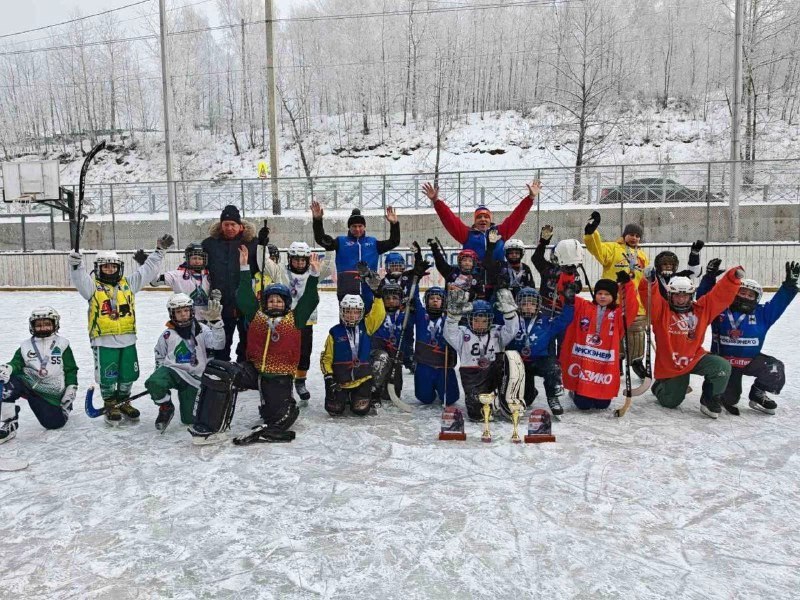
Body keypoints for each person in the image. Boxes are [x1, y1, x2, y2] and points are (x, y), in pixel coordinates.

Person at [191, 246, 321, 440]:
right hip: (254, 371)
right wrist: (244, 268)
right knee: (217, 370)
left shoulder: (295, 318)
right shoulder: (257, 315)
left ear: (286, 303)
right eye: (271, 300)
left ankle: (272, 420)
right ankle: (209, 425)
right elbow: (243, 296)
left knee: (278, 418)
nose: (275, 303)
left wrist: (314, 275)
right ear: (265, 303)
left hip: (279, 377)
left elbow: (311, 298)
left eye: (279, 301)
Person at [68, 237, 172, 426]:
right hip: (103, 340)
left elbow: (147, 271)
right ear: (99, 268)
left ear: (119, 267)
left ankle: (124, 401)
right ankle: (110, 403)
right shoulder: (92, 287)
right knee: (108, 376)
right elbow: (79, 278)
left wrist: (159, 251)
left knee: (127, 374)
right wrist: (76, 265)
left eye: (113, 267)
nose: (110, 270)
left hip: (128, 338)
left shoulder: (128, 284)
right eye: (106, 266)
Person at [696, 260, 799, 415]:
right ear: (734, 293)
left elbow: (779, 303)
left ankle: (758, 392)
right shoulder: (721, 310)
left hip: (749, 361)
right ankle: (713, 395)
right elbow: (704, 299)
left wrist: (789, 285)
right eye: (742, 292)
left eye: (750, 295)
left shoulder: (763, 314)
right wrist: (709, 278)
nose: (746, 296)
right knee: (730, 399)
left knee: (775, 368)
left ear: (756, 299)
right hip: (723, 364)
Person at [647, 267, 745, 418]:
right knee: (671, 402)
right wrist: (650, 282)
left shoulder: (701, 309)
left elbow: (719, 295)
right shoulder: (661, 311)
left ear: (691, 295)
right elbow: (650, 297)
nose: (681, 299)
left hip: (694, 357)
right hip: (672, 364)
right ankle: (660, 386)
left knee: (721, 366)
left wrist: (733, 278)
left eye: (685, 296)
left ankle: (709, 399)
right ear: (669, 295)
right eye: (677, 295)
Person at [257, 240, 331, 404]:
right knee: (285, 352)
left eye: (302, 260)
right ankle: (285, 381)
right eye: (296, 259)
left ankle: (300, 380)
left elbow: (329, 267)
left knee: (304, 352)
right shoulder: (281, 272)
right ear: (289, 259)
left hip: (306, 321)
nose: (299, 263)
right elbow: (263, 262)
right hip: (285, 320)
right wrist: (261, 244)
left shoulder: (313, 272)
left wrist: (330, 246)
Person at [583, 211, 650, 379]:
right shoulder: (613, 248)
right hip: (614, 302)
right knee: (613, 333)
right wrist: (592, 232)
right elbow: (596, 248)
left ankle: (636, 360)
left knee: (636, 332)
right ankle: (617, 360)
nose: (634, 238)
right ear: (624, 235)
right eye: (631, 234)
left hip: (636, 303)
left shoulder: (642, 255)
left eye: (637, 235)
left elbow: (644, 280)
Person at [144, 293, 225, 431]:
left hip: (194, 378)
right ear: (171, 314)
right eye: (179, 311)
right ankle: (166, 407)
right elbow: (159, 355)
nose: (183, 314)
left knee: (189, 420)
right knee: (154, 382)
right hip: (173, 371)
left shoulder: (202, 329)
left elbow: (218, 345)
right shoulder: (167, 334)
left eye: (186, 310)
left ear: (192, 311)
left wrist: (216, 323)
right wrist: (159, 375)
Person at [560, 273, 638, 410]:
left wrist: (627, 285)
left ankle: (596, 393)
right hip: (584, 362)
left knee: (602, 405)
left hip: (604, 366)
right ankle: (575, 391)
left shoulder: (618, 314)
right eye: (600, 293)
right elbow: (564, 295)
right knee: (583, 405)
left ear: (614, 297)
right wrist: (567, 276)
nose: (602, 296)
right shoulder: (583, 306)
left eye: (607, 294)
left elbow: (631, 306)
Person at [0, 308, 78, 443]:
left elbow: (71, 369)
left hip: (50, 393)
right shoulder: (26, 346)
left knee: (53, 424)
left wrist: (71, 387)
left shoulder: (62, 344)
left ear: (55, 324)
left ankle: (64, 409)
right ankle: (10, 424)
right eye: (38, 325)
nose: (43, 328)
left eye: (47, 323)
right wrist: (8, 368)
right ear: (32, 326)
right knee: (7, 383)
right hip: (29, 383)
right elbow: (16, 363)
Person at [443, 289, 520, 421]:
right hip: (472, 376)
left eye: (484, 321)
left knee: (513, 360)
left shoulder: (497, 332)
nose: (480, 324)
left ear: (490, 320)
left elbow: (511, 330)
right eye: (476, 320)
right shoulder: (463, 333)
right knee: (477, 415)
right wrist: (452, 317)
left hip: (494, 373)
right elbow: (449, 333)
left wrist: (510, 314)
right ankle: (488, 402)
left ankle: (503, 399)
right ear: (469, 319)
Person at [311, 201, 400, 311]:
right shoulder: (340, 242)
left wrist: (394, 224)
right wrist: (317, 221)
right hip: (346, 289)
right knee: (347, 321)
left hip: (369, 289)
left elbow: (394, 242)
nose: (357, 229)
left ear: (364, 227)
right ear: (349, 227)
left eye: (360, 226)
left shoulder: (373, 242)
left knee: (368, 324)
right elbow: (321, 239)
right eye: (354, 226)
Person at [422, 180, 541, 262]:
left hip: (496, 278)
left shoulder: (500, 232)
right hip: (473, 279)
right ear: (475, 220)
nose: (483, 219)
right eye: (479, 217)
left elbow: (517, 217)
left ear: (490, 220)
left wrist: (530, 198)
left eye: (486, 217)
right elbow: (449, 219)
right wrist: (437, 201)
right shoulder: (466, 234)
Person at [321, 278, 387, 417]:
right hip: (341, 382)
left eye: (356, 312)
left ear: (361, 312)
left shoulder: (367, 327)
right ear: (342, 312)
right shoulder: (335, 332)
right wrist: (329, 376)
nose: (351, 315)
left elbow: (379, 315)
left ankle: (370, 393)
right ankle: (344, 397)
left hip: (362, 379)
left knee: (361, 410)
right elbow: (326, 358)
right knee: (334, 410)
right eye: (348, 311)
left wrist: (379, 297)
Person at [202, 204, 259, 362]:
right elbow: (195, 265)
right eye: (226, 224)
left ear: (240, 226)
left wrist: (264, 245)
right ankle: (221, 371)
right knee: (221, 342)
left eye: (233, 224)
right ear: (221, 226)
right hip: (220, 303)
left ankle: (244, 372)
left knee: (247, 341)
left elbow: (264, 267)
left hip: (245, 304)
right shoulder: (209, 244)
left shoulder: (253, 243)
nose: (229, 228)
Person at [505, 287, 574, 415]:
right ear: (517, 304)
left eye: (532, 303)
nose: (528, 307)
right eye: (524, 303)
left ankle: (553, 397)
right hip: (518, 363)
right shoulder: (511, 320)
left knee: (552, 369)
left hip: (539, 361)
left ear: (538, 304)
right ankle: (528, 392)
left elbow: (564, 320)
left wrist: (569, 303)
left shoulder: (546, 321)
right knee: (527, 399)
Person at [137, 242, 218, 323]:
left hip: (208, 321)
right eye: (194, 258)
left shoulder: (211, 276)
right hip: (185, 321)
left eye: (200, 259)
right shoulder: (177, 275)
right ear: (187, 258)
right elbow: (155, 281)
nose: (197, 261)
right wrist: (147, 265)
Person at [411, 286, 458, 406]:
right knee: (424, 399)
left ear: (444, 301)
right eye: (432, 298)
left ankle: (441, 386)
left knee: (451, 399)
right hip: (424, 365)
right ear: (426, 301)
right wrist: (417, 277)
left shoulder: (450, 318)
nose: (435, 300)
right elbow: (415, 297)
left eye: (438, 298)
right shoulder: (421, 315)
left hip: (444, 366)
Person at [483, 234, 535, 299]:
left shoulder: (525, 268)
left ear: (522, 253)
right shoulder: (500, 265)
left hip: (521, 300)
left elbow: (531, 286)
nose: (514, 255)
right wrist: (490, 248)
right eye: (511, 253)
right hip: (503, 300)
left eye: (517, 253)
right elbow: (487, 264)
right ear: (506, 253)